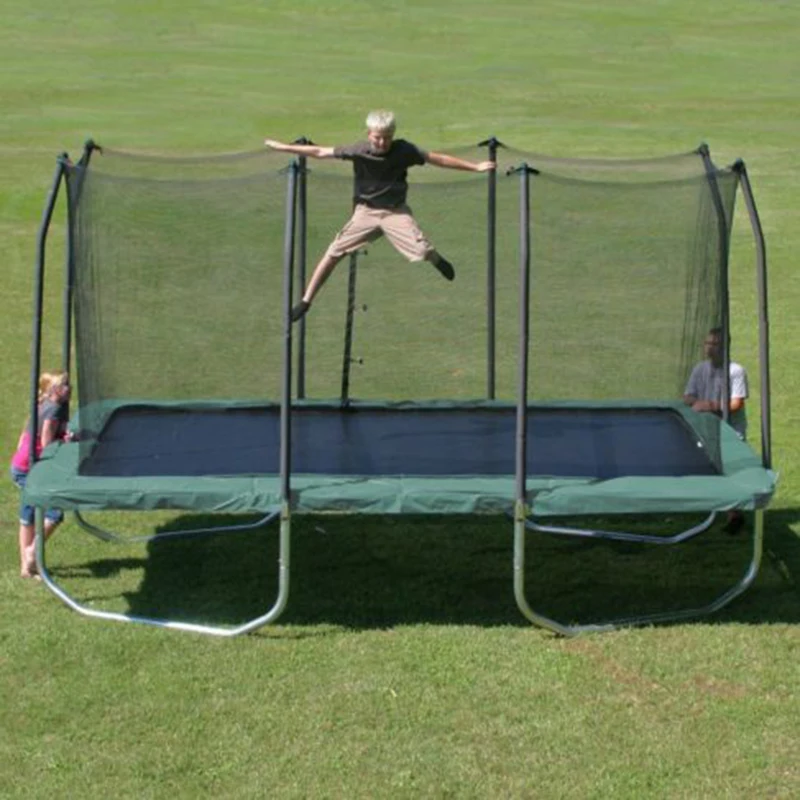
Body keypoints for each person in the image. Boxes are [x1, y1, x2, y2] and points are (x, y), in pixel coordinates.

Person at [264, 110, 496, 321]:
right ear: (369, 134)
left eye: (387, 137)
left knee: (422, 250)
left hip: (395, 212)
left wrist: (475, 167)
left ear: (393, 134)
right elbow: (319, 151)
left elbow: (438, 159)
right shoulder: (358, 150)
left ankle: (436, 260)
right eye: (377, 137)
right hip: (366, 212)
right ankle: (306, 302)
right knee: (333, 251)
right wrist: (284, 147)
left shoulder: (405, 150)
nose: (382, 142)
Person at [683, 327, 749, 533]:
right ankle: (718, 508)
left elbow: (736, 403)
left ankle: (734, 514)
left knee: (731, 473)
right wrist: (699, 403)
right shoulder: (699, 369)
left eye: (714, 344)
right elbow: (687, 397)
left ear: (725, 347)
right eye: (707, 343)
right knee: (711, 471)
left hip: (731, 432)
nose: (709, 348)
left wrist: (709, 406)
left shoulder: (736, 371)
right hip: (707, 430)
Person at [10, 371, 73, 578]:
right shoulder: (54, 409)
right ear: (55, 390)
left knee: (27, 515)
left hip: (20, 465)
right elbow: (46, 443)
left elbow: (23, 438)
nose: (69, 389)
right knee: (55, 511)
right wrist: (65, 441)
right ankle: (31, 553)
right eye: (65, 386)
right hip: (30, 469)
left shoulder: (42, 405)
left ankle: (26, 568)